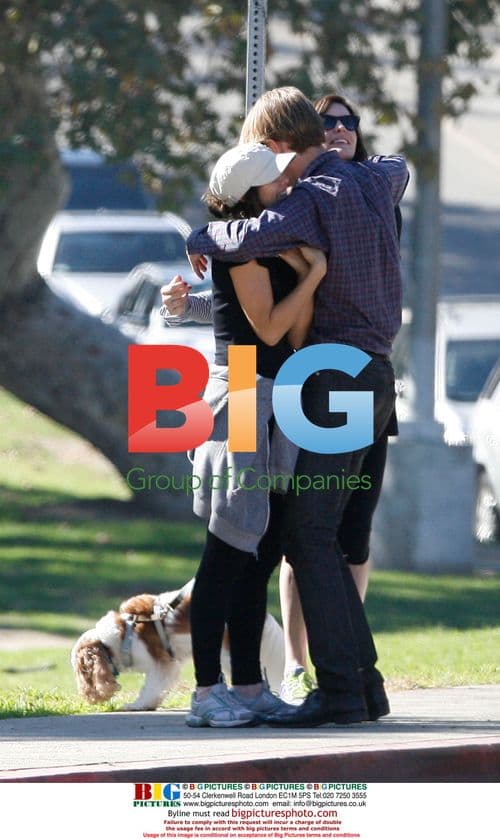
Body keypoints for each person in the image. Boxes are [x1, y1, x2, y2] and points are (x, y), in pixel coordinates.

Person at [161, 90, 402, 706]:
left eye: (273, 156)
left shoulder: (297, 211)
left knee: (293, 536)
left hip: (318, 381)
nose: (277, 173)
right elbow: (250, 320)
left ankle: (337, 689)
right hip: (304, 383)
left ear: (283, 148)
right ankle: (265, 687)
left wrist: (201, 231)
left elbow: (243, 244)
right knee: (261, 540)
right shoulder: (375, 181)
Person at [180, 141, 327, 727]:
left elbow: (295, 338)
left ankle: (247, 686)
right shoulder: (239, 252)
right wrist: (311, 272)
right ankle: (205, 692)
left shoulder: (267, 248)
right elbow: (268, 327)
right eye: (274, 182)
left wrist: (302, 272)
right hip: (241, 385)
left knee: (261, 550)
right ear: (247, 197)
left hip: (271, 387)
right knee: (228, 547)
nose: (285, 187)